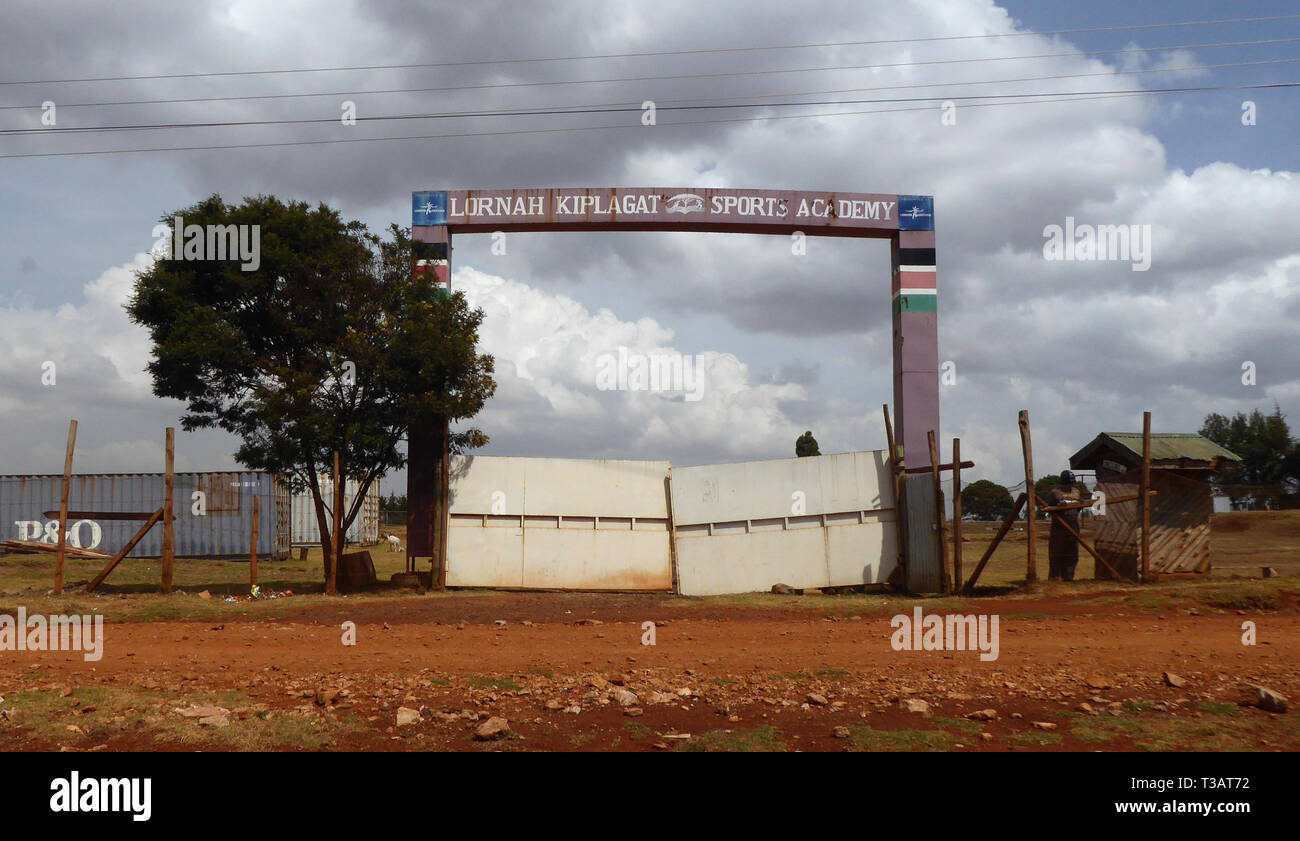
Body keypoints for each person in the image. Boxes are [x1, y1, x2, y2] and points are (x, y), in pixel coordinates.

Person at [1047, 470, 1082, 580]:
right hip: (1059, 528)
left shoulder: (1077, 492)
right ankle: (1055, 577)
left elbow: (1078, 508)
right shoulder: (1055, 493)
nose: (1069, 486)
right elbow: (1048, 508)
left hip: (1073, 525)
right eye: (1067, 483)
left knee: (1072, 553)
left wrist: (1081, 503)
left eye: (1071, 483)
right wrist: (1058, 507)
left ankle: (1068, 577)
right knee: (1057, 553)